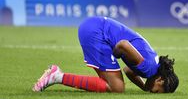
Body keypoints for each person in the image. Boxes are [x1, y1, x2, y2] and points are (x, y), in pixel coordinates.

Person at [33, 16, 179, 93]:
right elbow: (123, 45)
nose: (154, 93)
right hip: (97, 33)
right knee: (117, 88)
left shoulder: (153, 65)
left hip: (94, 25)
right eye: (157, 92)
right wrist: (114, 54)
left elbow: (129, 71)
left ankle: (57, 76)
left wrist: (144, 88)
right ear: (160, 80)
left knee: (113, 85)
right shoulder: (149, 69)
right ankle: (56, 76)